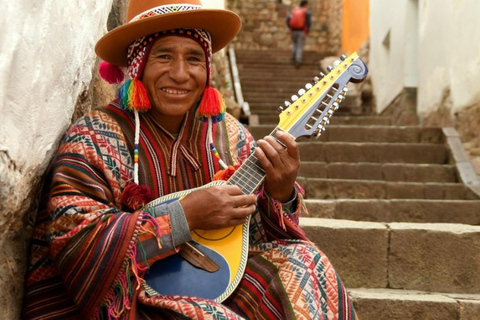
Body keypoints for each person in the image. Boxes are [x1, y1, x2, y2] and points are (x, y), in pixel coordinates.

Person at [23, 0, 357, 319]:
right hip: (120, 298)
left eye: (195, 59)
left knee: (307, 265)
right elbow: (77, 244)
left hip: (209, 282)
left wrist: (280, 193)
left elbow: (255, 238)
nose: (181, 74)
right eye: (164, 56)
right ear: (138, 65)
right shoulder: (96, 135)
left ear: (208, 70)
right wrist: (187, 214)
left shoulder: (228, 135)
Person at [286, 0, 311, 68]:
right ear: (305, 4)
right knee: (299, 45)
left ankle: (293, 56)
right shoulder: (306, 11)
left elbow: (288, 19)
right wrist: (307, 30)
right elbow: (308, 22)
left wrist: (290, 27)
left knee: (294, 43)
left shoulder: (293, 10)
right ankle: (298, 60)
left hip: (293, 30)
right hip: (301, 31)